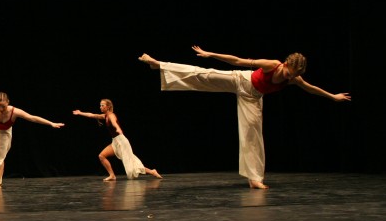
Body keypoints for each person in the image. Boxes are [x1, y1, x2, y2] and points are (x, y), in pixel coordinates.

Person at [139, 46, 351, 189]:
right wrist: (210, 54)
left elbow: (311, 88)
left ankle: (254, 179)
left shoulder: (294, 79)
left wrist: (332, 96)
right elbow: (238, 60)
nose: (292, 77)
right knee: (204, 74)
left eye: (295, 75)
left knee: (253, 136)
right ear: (286, 64)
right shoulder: (272, 65)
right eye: (290, 73)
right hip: (241, 81)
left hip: (253, 97)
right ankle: (159, 64)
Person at [73, 99, 162, 182]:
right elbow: (92, 115)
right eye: (100, 105)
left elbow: (114, 122)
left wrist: (118, 128)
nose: (100, 107)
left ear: (108, 107)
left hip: (122, 142)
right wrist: (80, 113)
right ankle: (112, 175)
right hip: (115, 142)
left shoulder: (111, 115)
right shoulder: (105, 116)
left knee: (131, 164)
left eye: (102, 105)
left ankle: (152, 171)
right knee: (101, 156)